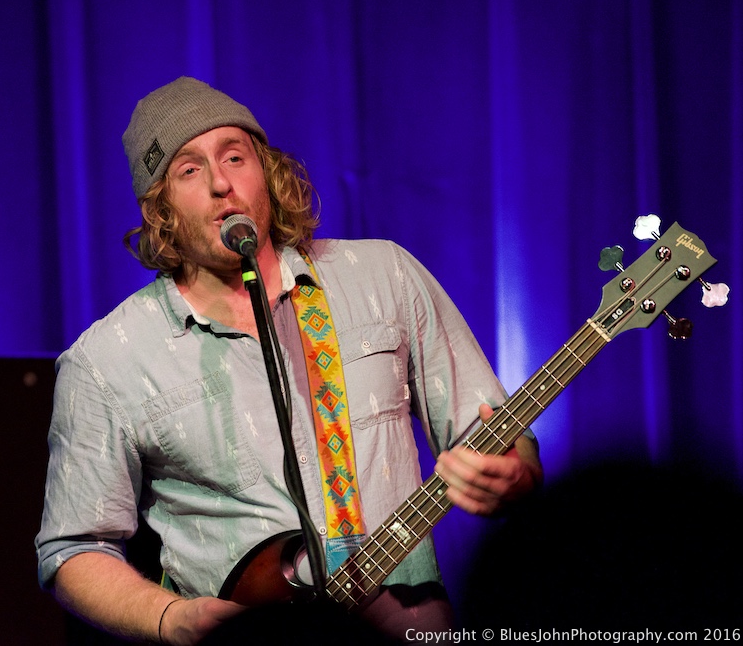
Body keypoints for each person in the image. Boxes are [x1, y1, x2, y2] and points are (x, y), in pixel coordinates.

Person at [35, 76, 543, 645]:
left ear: (269, 173)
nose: (222, 183)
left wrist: (515, 475)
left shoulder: (384, 277)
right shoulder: (107, 361)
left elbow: (496, 430)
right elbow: (73, 547)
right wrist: (170, 617)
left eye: (235, 156)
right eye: (189, 170)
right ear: (162, 211)